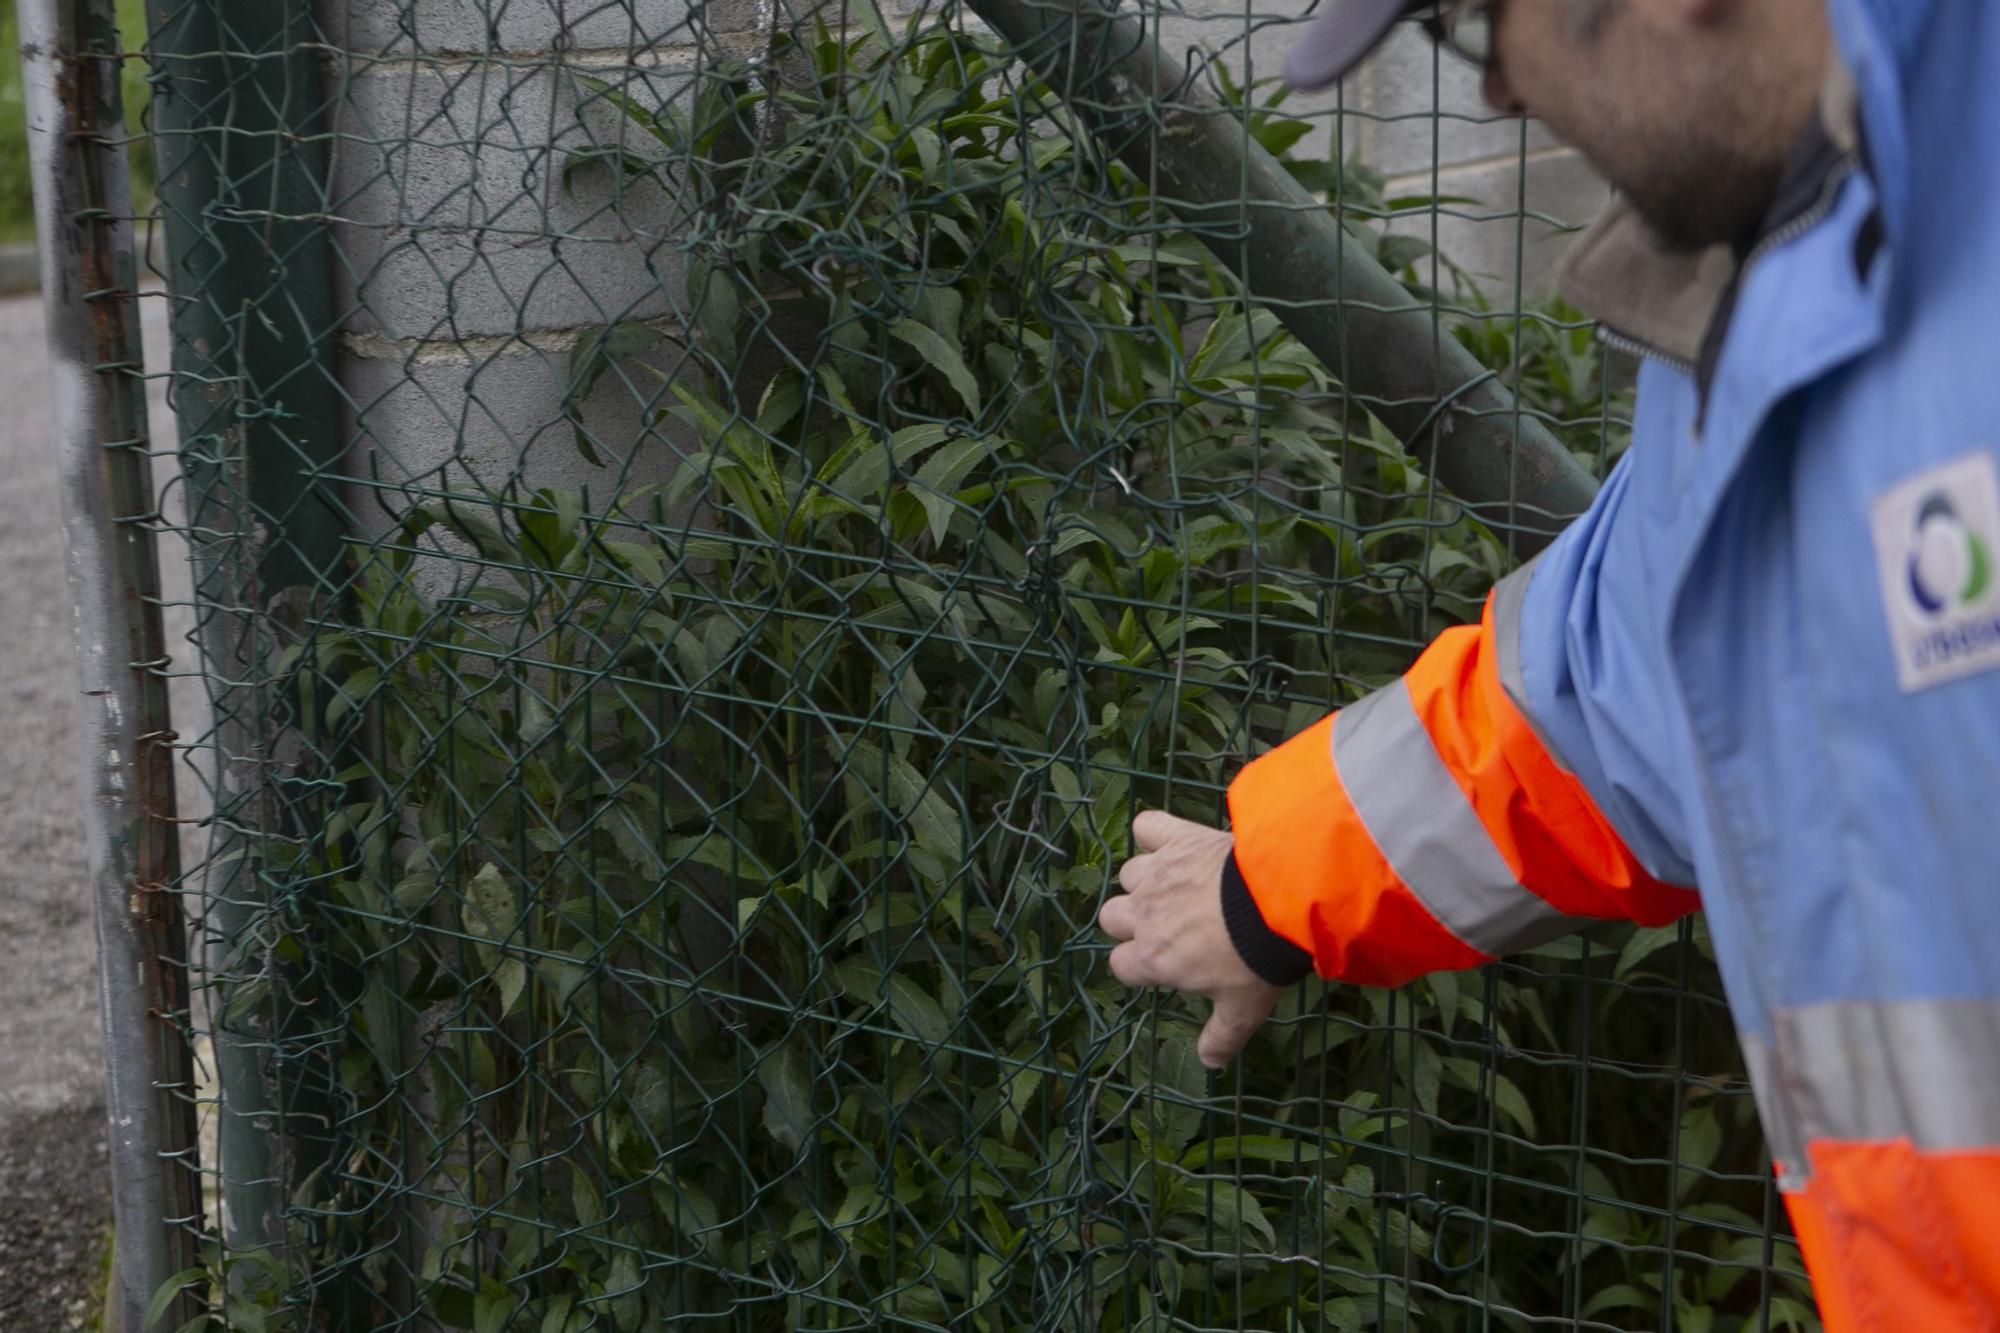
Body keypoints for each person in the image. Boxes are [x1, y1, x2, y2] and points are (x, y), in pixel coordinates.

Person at [1095, 0, 2000, 1325]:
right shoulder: (1763, 298)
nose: (1503, 103)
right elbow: (1595, 696)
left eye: (1477, 27)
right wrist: (1269, 887)